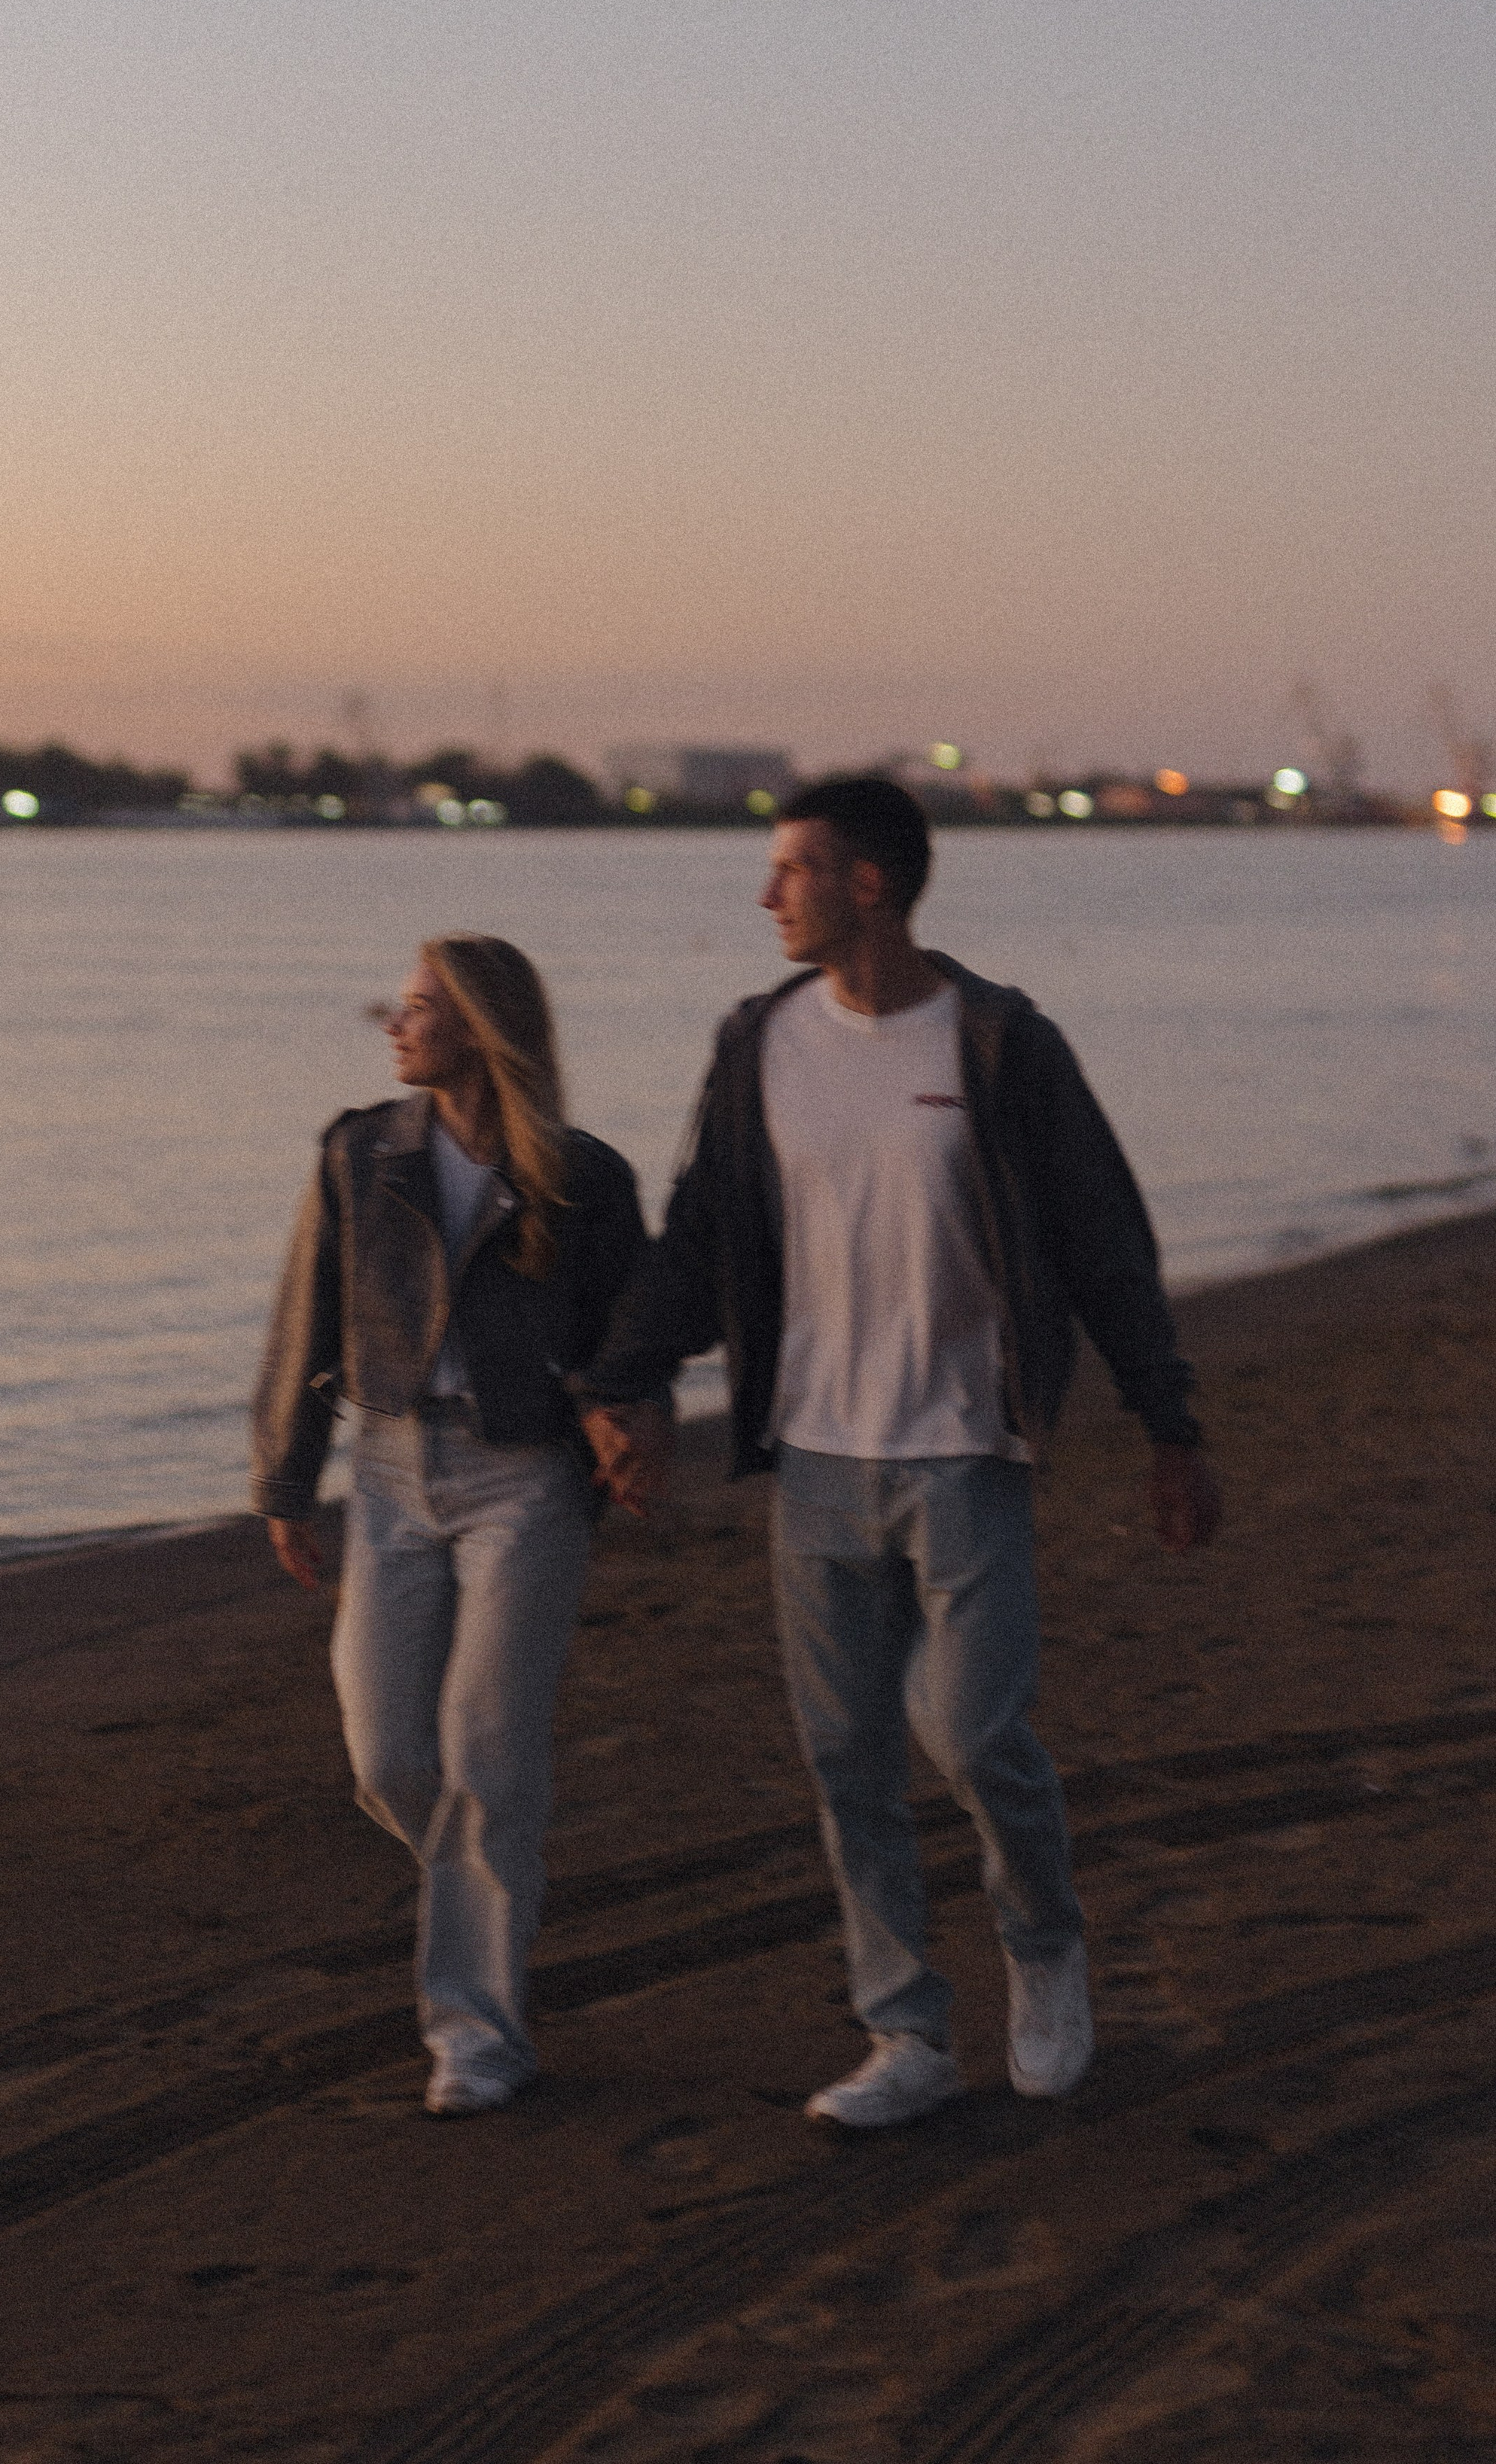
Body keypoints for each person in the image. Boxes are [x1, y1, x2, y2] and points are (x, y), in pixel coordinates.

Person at [580, 776, 1220, 2130]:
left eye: (791, 872)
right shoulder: (759, 1041)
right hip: (815, 1455)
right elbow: (704, 1231)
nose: (766, 898)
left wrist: (1171, 1425)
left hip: (968, 1448)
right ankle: (907, 2034)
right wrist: (627, 1380)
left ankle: (1045, 1957)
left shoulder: (998, 1043)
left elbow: (1106, 1239)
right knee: (848, 1760)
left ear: (869, 883)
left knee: (972, 1729)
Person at [252, 933, 651, 2116]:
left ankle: (477, 2040)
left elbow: (633, 1336)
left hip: (525, 1483)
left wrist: (625, 1430)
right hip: (385, 1476)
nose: (397, 1022)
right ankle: (494, 1876)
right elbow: (304, 1321)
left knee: (485, 1757)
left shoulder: (584, 1176)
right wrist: (285, 1479)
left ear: (481, 1027)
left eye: (420, 1007)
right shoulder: (360, 1154)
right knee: (390, 1758)